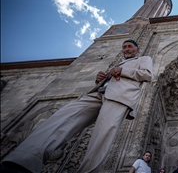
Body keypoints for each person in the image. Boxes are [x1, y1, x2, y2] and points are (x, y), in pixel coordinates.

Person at [1, 39, 153, 173]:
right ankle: (24, 160)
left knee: (102, 135)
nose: (126, 49)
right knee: (63, 117)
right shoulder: (118, 62)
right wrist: (100, 79)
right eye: (124, 47)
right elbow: (111, 77)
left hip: (119, 96)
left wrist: (123, 70)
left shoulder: (144, 58)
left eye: (130, 47)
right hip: (97, 93)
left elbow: (147, 74)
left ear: (137, 49)